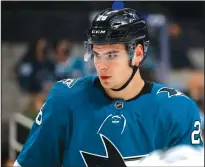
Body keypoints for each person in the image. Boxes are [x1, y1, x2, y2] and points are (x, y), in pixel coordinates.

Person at [14, 7, 203, 167]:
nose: (101, 65)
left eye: (112, 55)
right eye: (97, 54)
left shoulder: (178, 109)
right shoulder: (65, 98)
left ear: (137, 54)